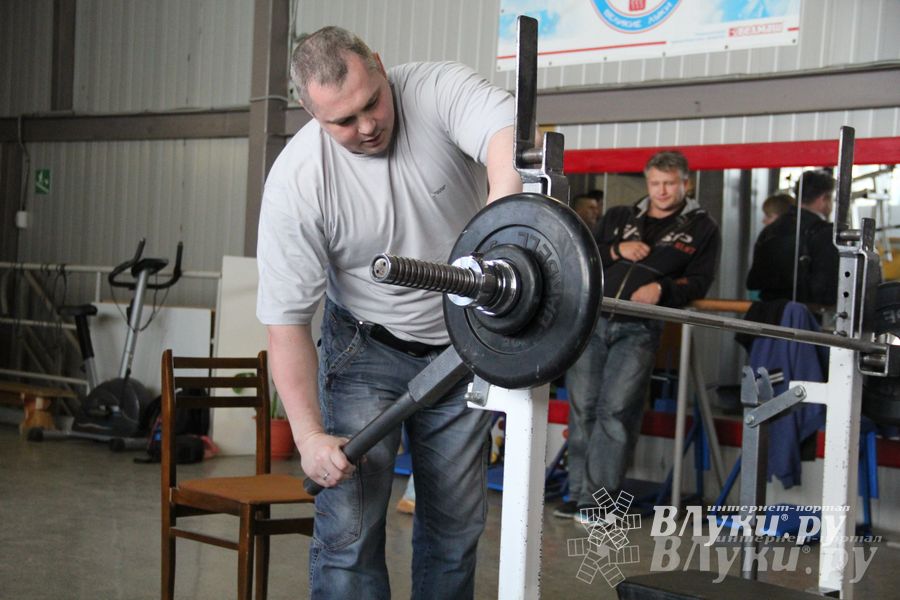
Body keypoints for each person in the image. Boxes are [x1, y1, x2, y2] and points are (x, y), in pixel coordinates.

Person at [256, 27, 521, 599]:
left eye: (371, 102)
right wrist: (308, 438)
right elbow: (286, 325)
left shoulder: (435, 89)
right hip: (364, 351)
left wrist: (505, 203)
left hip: (463, 348)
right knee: (349, 532)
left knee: (454, 530)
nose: (367, 126)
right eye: (343, 122)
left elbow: (507, 126)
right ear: (310, 113)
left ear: (379, 65)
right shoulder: (298, 183)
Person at [554, 150, 720, 520]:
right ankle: (577, 492)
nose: (661, 191)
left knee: (614, 411)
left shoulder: (702, 227)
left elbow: (700, 280)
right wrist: (618, 249)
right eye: (655, 183)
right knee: (583, 410)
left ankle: (598, 502)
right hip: (592, 320)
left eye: (669, 184)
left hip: (640, 327)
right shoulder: (619, 216)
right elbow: (587, 256)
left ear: (685, 184)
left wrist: (662, 292)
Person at [746, 170, 839, 305]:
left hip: (768, 314)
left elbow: (754, 280)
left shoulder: (769, 230)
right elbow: (825, 288)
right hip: (807, 317)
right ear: (824, 198)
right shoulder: (824, 233)